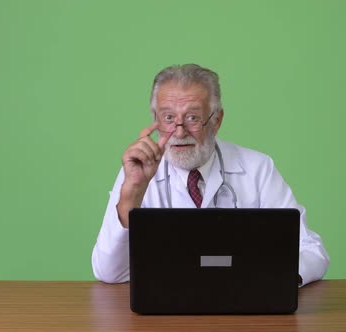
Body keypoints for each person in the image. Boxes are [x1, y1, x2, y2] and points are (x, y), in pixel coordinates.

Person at [92, 64, 330, 287]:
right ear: (155, 120)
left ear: (217, 120)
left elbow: (311, 250)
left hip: (244, 309)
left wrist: (273, 281)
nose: (179, 131)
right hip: (166, 313)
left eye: (192, 117)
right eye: (168, 117)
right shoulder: (137, 172)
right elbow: (109, 272)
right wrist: (132, 192)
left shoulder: (257, 168)